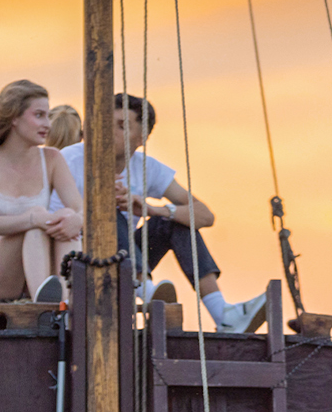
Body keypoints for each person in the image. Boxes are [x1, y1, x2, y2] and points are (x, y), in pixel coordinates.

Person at [53, 93, 264, 332]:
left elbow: (205, 215)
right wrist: (97, 204)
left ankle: (223, 315)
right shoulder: (69, 159)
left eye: (122, 126)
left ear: (141, 137)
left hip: (123, 261)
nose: (109, 132)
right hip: (79, 260)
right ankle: (148, 290)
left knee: (175, 220)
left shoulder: (146, 167)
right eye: (106, 123)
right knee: (110, 213)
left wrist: (152, 208)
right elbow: (52, 220)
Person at [0, 80, 83, 306]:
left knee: (65, 218)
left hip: (33, 272)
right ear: (13, 117)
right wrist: (33, 218)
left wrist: (77, 219)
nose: (47, 124)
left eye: (47, 116)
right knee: (35, 222)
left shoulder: (52, 159)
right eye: (39, 115)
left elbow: (79, 207)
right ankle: (44, 309)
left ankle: (63, 305)